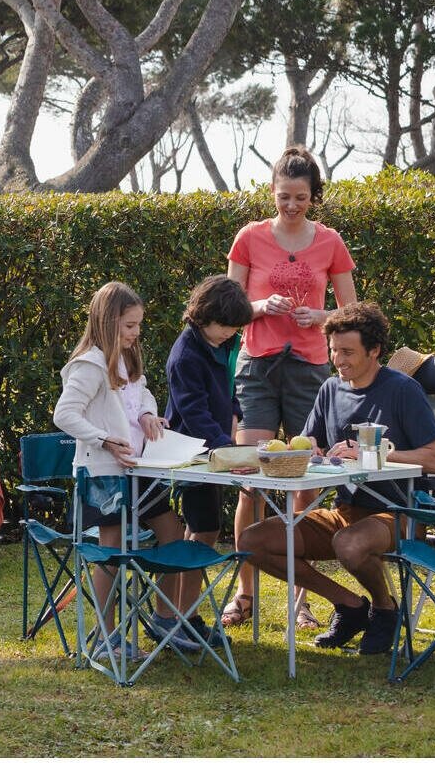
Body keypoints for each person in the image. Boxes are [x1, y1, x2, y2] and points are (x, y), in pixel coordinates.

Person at [242, 301, 435, 656]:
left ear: (375, 351)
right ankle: (351, 606)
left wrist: (373, 452)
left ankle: (385, 609)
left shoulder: (401, 390)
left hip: (398, 513)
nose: (339, 360)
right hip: (344, 511)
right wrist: (304, 453)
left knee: (348, 544)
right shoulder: (330, 389)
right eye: (334, 351)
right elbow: (308, 445)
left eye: (348, 352)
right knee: (253, 541)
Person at [221, 145, 359, 631]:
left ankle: (301, 599)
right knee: (250, 482)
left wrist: (320, 317)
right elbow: (229, 305)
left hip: (308, 370)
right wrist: (261, 307)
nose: (292, 205)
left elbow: (351, 313)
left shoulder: (331, 242)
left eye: (301, 197)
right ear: (273, 193)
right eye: (284, 197)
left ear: (313, 197)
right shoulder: (249, 238)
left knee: (304, 487)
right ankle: (245, 594)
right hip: (257, 367)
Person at [52, 280, 196, 654]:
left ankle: (164, 618)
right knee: (111, 550)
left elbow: (141, 391)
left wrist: (149, 413)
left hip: (142, 467)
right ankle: (106, 636)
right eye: (130, 325)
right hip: (104, 471)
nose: (136, 333)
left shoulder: (128, 358)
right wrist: (103, 439)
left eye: (138, 325)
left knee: (172, 531)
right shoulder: (89, 365)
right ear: (108, 321)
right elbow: (64, 414)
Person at [163, 274, 252, 646]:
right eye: (226, 327)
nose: (231, 334)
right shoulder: (185, 355)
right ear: (203, 317)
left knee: (202, 529)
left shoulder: (218, 344)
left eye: (235, 329)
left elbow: (227, 388)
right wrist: (227, 450)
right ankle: (184, 617)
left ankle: (186, 613)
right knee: (204, 529)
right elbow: (194, 412)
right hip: (193, 452)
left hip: (213, 449)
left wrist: (235, 411)